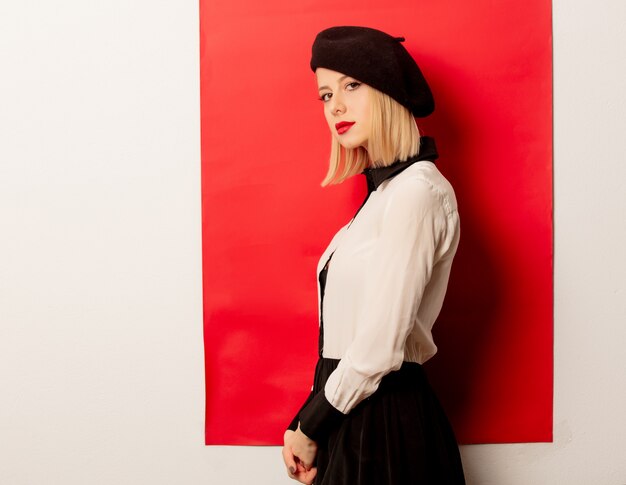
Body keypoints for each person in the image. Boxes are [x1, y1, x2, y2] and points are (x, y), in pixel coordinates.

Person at [281, 26, 466, 485]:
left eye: (351, 85)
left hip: (384, 425)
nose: (335, 106)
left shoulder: (417, 193)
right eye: (325, 95)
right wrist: (308, 423)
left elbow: (380, 344)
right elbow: (343, 338)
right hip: (352, 418)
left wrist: (311, 424)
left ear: (387, 90)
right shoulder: (383, 198)